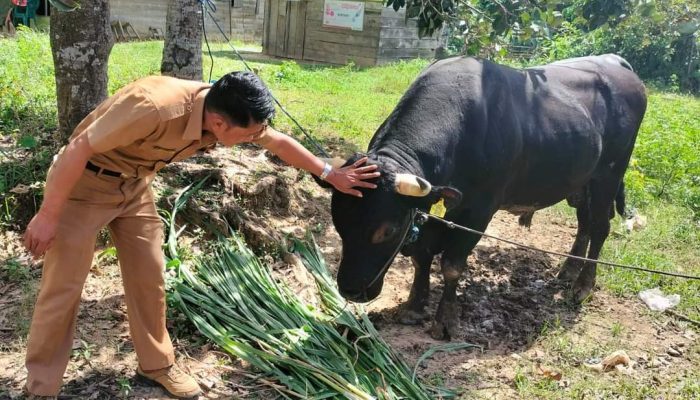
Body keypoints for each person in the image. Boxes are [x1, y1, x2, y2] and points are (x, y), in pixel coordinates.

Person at [22, 71, 379, 398]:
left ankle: (156, 365)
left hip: (133, 187)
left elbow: (278, 142)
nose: (255, 139)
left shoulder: (228, 112)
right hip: (83, 184)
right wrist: (48, 214)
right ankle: (41, 387)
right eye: (250, 135)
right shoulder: (155, 107)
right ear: (220, 123)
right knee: (63, 287)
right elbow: (80, 146)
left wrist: (329, 173)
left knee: (150, 276)